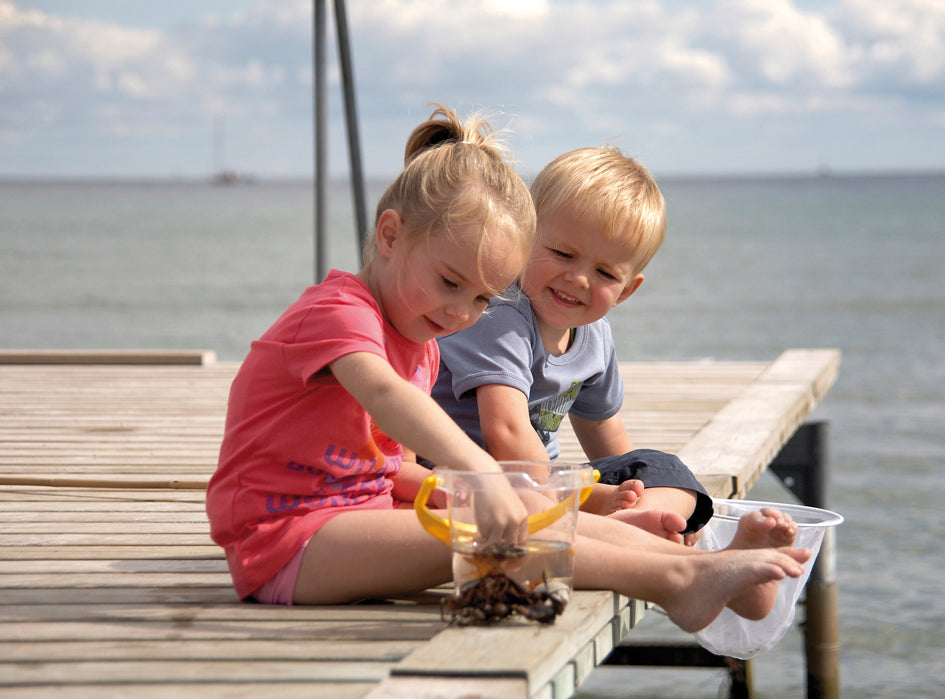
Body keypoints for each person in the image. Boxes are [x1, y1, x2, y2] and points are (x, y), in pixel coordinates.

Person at [206, 106, 810, 634]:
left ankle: (707, 567)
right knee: (503, 538)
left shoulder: (418, 337)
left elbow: (389, 472)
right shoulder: (336, 313)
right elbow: (388, 397)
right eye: (450, 282)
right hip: (285, 544)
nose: (460, 312)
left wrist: (493, 490)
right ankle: (677, 583)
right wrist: (479, 474)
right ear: (390, 235)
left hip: (356, 522)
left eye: (480, 298)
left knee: (537, 517)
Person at [433, 146, 711, 542]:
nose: (579, 279)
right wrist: (593, 495)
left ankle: (644, 527)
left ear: (626, 291)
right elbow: (507, 435)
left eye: (603, 272)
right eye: (563, 254)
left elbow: (606, 435)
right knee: (628, 489)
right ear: (523, 238)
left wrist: (631, 488)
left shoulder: (595, 335)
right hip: (473, 478)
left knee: (666, 471)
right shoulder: (500, 314)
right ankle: (631, 534)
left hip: (544, 484)